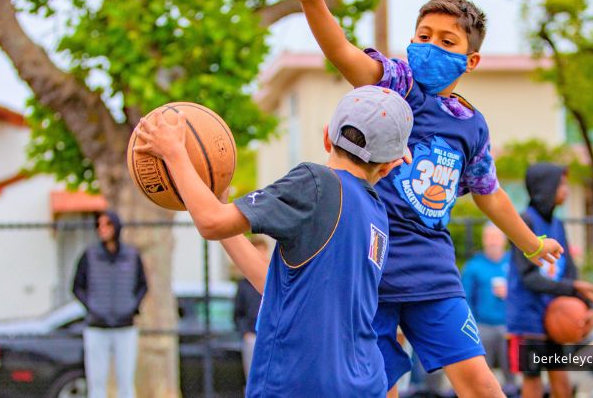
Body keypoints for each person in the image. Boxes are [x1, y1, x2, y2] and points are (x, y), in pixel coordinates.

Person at [265, 0, 563, 397]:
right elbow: (343, 53)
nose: (430, 47)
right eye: (423, 35)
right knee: (376, 388)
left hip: (433, 271)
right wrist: (312, 0)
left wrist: (531, 242)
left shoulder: (473, 126)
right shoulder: (398, 84)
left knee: (482, 384)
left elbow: (490, 194)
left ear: (471, 60)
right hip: (370, 267)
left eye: (447, 41)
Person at [135, 85, 413, 397]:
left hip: (300, 385)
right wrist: (222, 199)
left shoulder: (316, 183)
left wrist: (174, 152)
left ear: (326, 137)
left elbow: (211, 222)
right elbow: (281, 288)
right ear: (390, 164)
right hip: (366, 383)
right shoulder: (376, 215)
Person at [506, 163, 593, 398]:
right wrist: (573, 288)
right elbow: (529, 278)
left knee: (560, 375)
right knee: (532, 380)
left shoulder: (558, 224)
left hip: (555, 313)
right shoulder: (525, 222)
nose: (567, 189)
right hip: (528, 316)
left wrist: (588, 306)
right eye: (561, 184)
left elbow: (570, 273)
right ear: (546, 187)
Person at [72, 210, 148, 398]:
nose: (102, 229)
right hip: (97, 327)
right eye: (99, 225)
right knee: (96, 383)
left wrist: (131, 307)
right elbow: (77, 287)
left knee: (126, 383)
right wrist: (93, 307)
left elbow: (142, 285)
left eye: (107, 224)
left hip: (125, 327)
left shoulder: (131, 255)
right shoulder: (89, 255)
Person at [463, 223, 516, 394]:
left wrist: (510, 292)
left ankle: (513, 390)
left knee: (513, 372)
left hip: (509, 325)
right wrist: (473, 327)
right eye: (489, 237)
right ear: (484, 240)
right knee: (482, 374)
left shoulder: (514, 263)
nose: (493, 241)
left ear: (504, 240)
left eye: (496, 237)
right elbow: (465, 299)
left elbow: (525, 292)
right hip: (483, 325)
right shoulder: (473, 266)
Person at [232, 236, 270, 378]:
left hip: (271, 336)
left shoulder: (274, 280)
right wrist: (245, 333)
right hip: (253, 336)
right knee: (253, 376)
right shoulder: (243, 286)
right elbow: (238, 313)